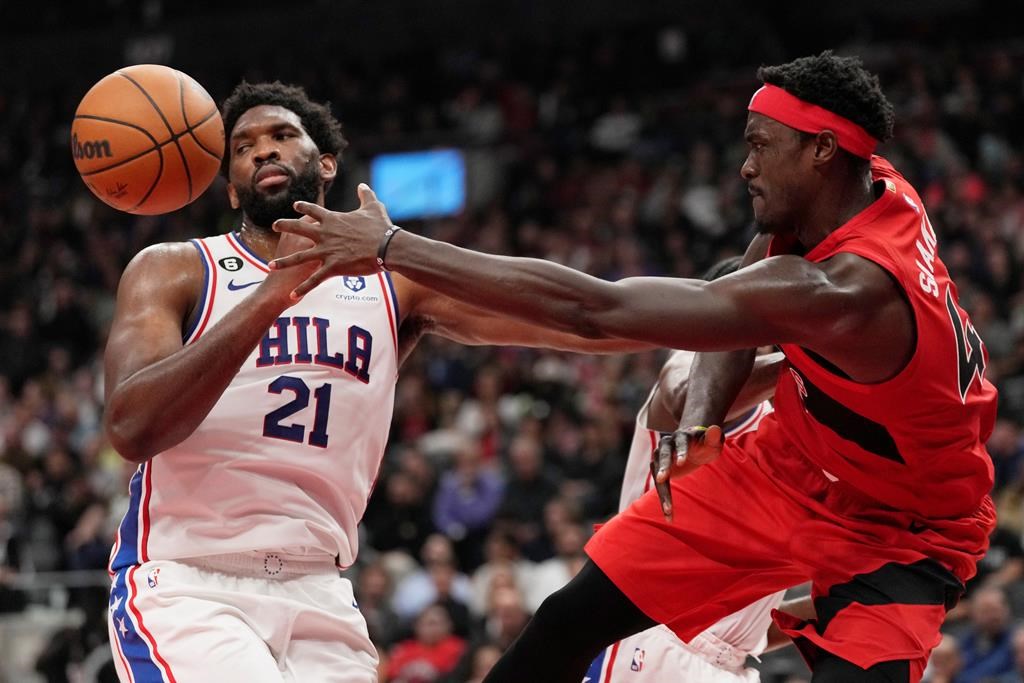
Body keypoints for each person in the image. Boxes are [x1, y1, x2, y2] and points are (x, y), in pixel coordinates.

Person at [272, 52, 998, 682]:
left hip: (904, 528)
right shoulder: (866, 185)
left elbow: (598, 310)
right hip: (791, 463)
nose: (744, 164)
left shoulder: (844, 291)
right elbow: (740, 290)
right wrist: (705, 418)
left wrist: (395, 245)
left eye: (758, 144)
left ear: (821, 150)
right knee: (566, 619)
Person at [102, 81, 647, 683]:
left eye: (283, 136)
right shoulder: (176, 267)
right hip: (188, 580)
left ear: (326, 164)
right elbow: (132, 425)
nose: (263, 151)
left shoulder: (394, 283)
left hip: (319, 586)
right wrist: (272, 295)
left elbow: (585, 320)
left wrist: (715, 321)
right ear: (231, 185)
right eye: (243, 146)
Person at [586, 257, 790, 683]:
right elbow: (682, 395)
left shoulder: (793, 433)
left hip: (730, 667)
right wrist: (810, 365)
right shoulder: (688, 371)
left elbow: (738, 629)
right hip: (652, 640)